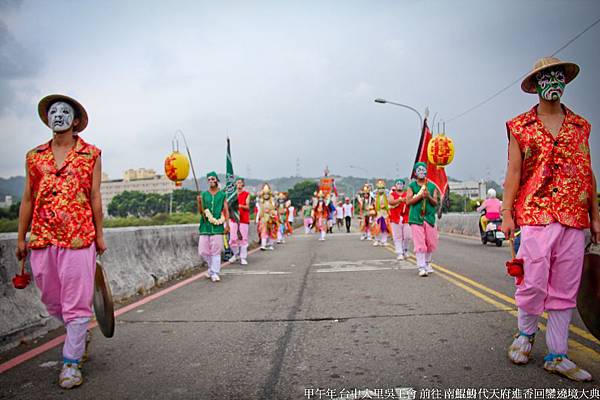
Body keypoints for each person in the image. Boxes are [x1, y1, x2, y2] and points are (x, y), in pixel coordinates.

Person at [502, 57, 598, 382]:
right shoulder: (520, 127)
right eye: (547, 77)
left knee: (565, 288)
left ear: (565, 81)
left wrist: (595, 216)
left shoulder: (581, 126)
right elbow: (514, 173)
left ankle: (558, 354)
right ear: (537, 84)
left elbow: (587, 173)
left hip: (574, 215)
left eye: (558, 76)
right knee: (532, 280)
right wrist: (506, 214)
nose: (553, 82)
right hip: (534, 213)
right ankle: (525, 334)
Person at [16, 94, 106, 389]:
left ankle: (71, 361)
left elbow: (94, 197)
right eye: (52, 112)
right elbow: (28, 198)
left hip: (79, 237)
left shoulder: (90, 154)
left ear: (76, 120)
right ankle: (78, 332)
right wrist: (21, 236)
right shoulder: (34, 156)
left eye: (64, 112)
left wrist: (100, 235)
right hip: (42, 237)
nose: (57, 116)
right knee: (52, 300)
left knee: (77, 304)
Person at [406, 162, 440, 277]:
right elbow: (408, 201)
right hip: (416, 217)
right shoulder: (412, 186)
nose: (421, 172)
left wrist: (428, 196)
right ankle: (421, 266)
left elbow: (435, 202)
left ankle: (427, 263)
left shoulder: (432, 186)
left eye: (423, 170)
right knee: (420, 243)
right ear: (415, 173)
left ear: (426, 171)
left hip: (429, 217)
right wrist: (420, 196)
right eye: (418, 170)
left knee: (430, 242)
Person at [198, 172, 229, 282]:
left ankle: (215, 272)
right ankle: (211, 269)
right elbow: (201, 212)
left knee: (216, 250)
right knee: (203, 251)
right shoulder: (204, 194)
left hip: (217, 226)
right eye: (209, 179)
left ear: (216, 180)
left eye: (213, 179)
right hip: (205, 226)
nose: (211, 181)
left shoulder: (222, 195)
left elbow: (225, 210)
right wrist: (199, 202)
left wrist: (227, 225)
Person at [228, 177, 250, 265]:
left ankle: (243, 257)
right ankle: (236, 254)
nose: (239, 184)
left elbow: (247, 206)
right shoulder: (232, 195)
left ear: (243, 184)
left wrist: (239, 206)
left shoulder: (246, 194)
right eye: (237, 183)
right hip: (233, 219)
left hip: (243, 219)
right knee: (233, 239)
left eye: (240, 182)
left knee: (243, 239)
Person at [389, 179, 410, 260]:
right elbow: (391, 202)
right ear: (395, 185)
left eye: (401, 184)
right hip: (395, 217)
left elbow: (411, 201)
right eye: (398, 184)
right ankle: (399, 252)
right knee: (397, 236)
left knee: (407, 236)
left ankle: (405, 249)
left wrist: (407, 200)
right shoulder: (392, 194)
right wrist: (400, 200)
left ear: (404, 185)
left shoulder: (407, 194)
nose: (400, 185)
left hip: (406, 217)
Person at [258, 184, 278, 250]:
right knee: (263, 231)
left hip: (271, 217)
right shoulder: (261, 200)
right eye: (265, 194)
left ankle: (271, 244)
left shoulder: (272, 200)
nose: (266, 195)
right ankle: (263, 245)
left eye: (267, 194)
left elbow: (275, 205)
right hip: (263, 218)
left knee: (271, 231)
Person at [373, 179, 391, 246]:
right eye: (379, 188)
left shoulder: (386, 197)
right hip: (378, 214)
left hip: (385, 214)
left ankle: (384, 241)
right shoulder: (375, 197)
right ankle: (377, 240)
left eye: (382, 188)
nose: (381, 190)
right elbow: (373, 205)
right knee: (377, 228)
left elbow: (389, 204)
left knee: (385, 228)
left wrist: (386, 206)